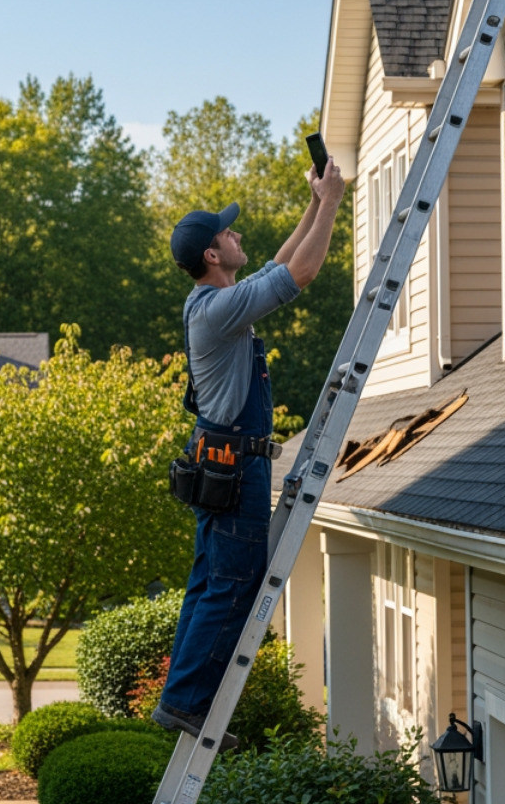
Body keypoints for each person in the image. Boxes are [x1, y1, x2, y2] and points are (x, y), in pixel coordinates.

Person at [153, 155, 345, 745]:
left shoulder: (216, 303)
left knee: (210, 582)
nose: (237, 235)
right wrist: (335, 203)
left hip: (223, 464)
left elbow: (279, 265)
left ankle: (179, 699)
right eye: (228, 232)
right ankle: (186, 702)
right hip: (233, 470)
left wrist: (315, 201)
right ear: (212, 255)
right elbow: (302, 273)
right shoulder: (218, 309)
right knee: (234, 583)